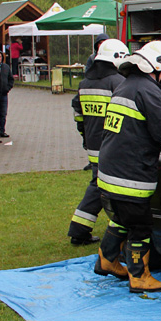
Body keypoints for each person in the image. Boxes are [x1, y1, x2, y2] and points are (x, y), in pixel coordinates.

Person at [97, 40, 161, 294]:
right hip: (130, 175)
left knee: (121, 219)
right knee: (140, 226)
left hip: (109, 170)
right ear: (156, 67)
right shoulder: (148, 90)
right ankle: (139, 277)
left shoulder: (125, 86)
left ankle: (107, 260)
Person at [67, 39, 128, 250]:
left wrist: (85, 134)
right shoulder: (117, 82)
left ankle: (80, 228)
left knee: (97, 185)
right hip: (112, 146)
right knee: (106, 188)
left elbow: (78, 112)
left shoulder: (85, 83)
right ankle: (80, 230)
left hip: (93, 144)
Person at [0, 51, 14, 138]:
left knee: (3, 113)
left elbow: (11, 79)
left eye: (0, 57)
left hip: (4, 94)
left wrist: (8, 88)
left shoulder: (6, 67)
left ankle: (2, 130)